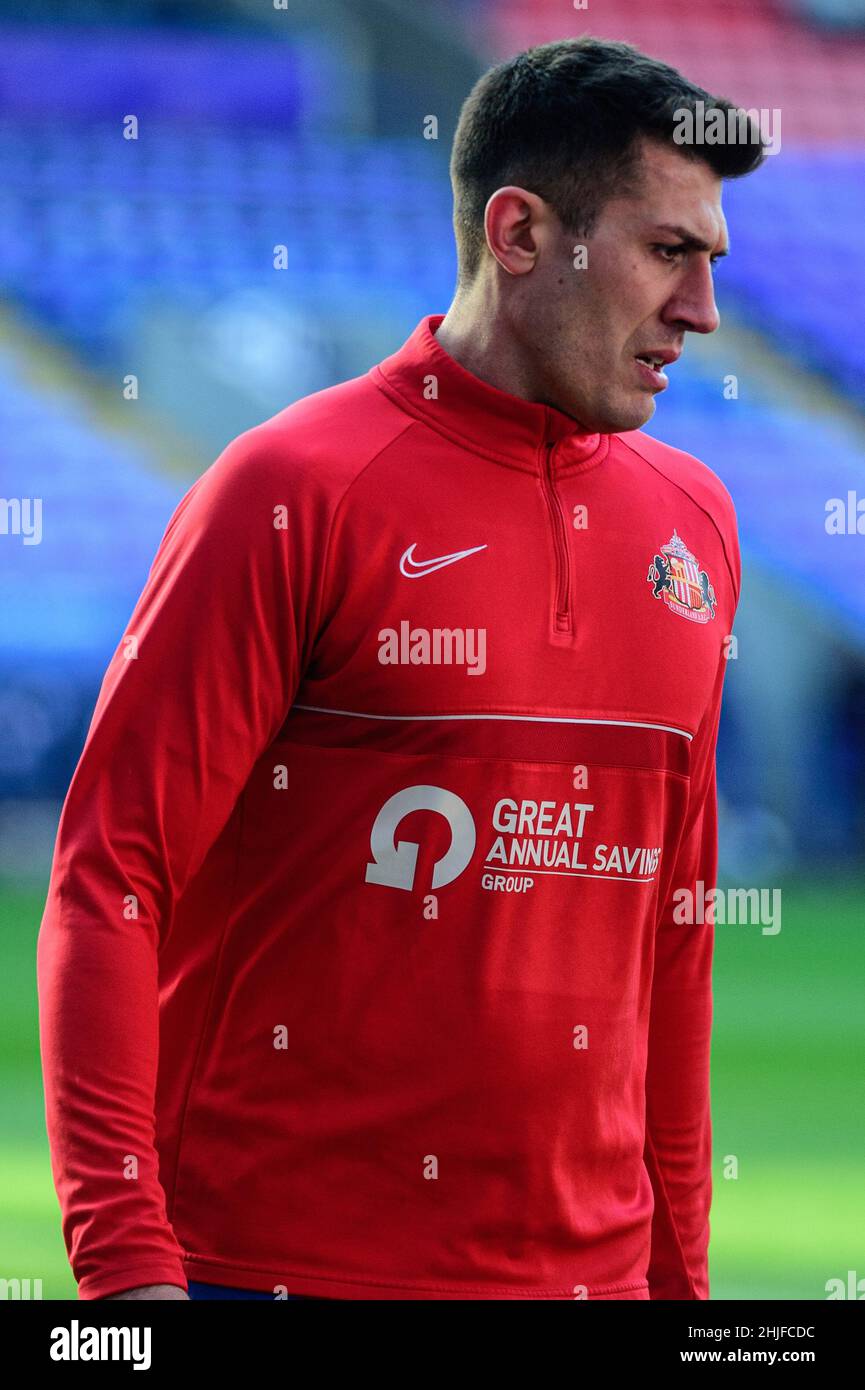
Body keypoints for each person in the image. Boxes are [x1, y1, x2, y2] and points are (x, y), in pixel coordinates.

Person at [37, 36, 765, 1301]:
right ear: (522, 233)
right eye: (667, 252)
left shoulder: (695, 523)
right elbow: (112, 878)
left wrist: (677, 1283)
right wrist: (125, 1273)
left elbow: (674, 943)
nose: (699, 310)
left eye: (711, 262)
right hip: (269, 1272)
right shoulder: (294, 488)